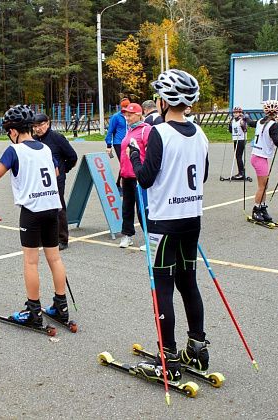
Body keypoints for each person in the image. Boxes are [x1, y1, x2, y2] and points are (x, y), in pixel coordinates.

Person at [127, 69, 210, 384]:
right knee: (188, 282)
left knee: (163, 286)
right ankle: (197, 347)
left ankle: (169, 357)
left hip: (164, 222)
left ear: (163, 101)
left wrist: (135, 156)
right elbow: (202, 176)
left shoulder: (159, 132)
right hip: (192, 218)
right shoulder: (200, 133)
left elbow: (145, 179)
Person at [0, 104, 71, 328]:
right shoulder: (45, 148)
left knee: (31, 261)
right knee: (55, 258)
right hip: (52, 208)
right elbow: (56, 172)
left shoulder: (14, 150)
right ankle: (61, 306)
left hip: (32, 211)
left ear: (14, 131)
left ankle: (33, 311)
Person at [32, 113, 78, 251]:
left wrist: (63, 170)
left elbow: (72, 157)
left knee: (58, 208)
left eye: (40, 125)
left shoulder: (57, 138)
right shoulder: (33, 140)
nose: (38, 129)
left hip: (56, 179)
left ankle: (62, 238)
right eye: (35, 126)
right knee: (42, 208)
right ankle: (45, 237)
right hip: (40, 180)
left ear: (47, 123)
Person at [117, 103, 152, 249]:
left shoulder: (146, 130)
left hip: (139, 176)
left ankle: (150, 238)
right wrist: (121, 173)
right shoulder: (129, 130)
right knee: (127, 207)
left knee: (142, 208)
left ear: (139, 114)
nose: (127, 117)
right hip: (126, 175)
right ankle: (127, 235)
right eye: (126, 115)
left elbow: (150, 153)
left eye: (130, 115)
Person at [246, 100, 278, 223]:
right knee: (262, 187)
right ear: (276, 112)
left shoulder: (260, 121)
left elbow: (250, 123)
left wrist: (245, 118)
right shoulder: (273, 124)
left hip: (258, 156)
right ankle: (256, 209)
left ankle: (262, 207)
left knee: (265, 185)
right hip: (260, 157)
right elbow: (277, 142)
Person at [105, 98, 130, 190]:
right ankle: (120, 185)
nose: (125, 109)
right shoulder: (116, 117)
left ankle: (119, 183)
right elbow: (110, 131)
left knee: (127, 163)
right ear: (121, 107)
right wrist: (109, 145)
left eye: (127, 106)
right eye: (124, 107)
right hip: (118, 143)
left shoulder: (130, 116)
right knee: (124, 163)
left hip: (128, 142)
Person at [227, 106, 248, 180]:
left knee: (238, 156)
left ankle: (241, 173)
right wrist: (229, 124)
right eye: (234, 113)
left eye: (237, 113)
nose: (235, 114)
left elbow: (245, 130)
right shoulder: (233, 120)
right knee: (237, 156)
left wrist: (243, 125)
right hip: (235, 139)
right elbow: (231, 131)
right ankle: (240, 172)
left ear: (240, 113)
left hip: (241, 139)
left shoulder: (242, 120)